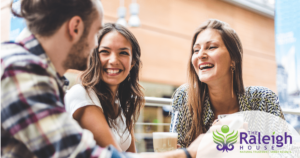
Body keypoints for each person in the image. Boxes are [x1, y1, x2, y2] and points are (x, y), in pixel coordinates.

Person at [0, 0, 202, 157]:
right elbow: (83, 154)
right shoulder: (21, 70)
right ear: (76, 27)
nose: (95, 46)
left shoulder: (40, 73)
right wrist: (188, 153)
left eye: (123, 53)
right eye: (97, 34)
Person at [169, 19, 285, 148]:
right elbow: (177, 150)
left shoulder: (263, 99)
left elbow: (287, 152)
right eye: (196, 50)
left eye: (211, 47)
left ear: (233, 59)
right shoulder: (185, 96)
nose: (200, 55)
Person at [64, 23, 144, 152]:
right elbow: (116, 156)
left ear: (133, 62)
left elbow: (131, 154)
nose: (113, 60)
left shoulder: (121, 103)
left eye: (123, 53)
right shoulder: (83, 95)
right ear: (94, 56)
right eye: (104, 52)